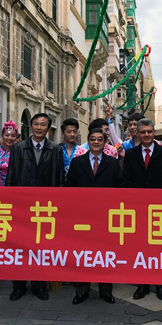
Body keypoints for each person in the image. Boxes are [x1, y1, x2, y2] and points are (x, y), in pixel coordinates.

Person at [6, 113, 64, 301]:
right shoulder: (18, 148)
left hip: (45, 207)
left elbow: (59, 178)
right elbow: (11, 176)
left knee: (42, 246)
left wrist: (57, 203)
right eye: (36, 124)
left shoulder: (55, 149)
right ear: (30, 126)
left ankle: (39, 284)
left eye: (43, 125)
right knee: (19, 246)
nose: (39, 128)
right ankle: (19, 285)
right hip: (22, 205)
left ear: (48, 128)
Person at [66, 128, 123, 305]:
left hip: (105, 217)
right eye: (93, 139)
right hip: (82, 218)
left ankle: (106, 291)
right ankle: (81, 291)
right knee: (82, 255)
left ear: (105, 142)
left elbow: (120, 189)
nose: (96, 142)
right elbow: (69, 188)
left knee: (104, 255)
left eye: (100, 139)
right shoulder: (77, 162)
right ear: (88, 141)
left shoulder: (113, 164)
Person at [123, 118, 162, 301]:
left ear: (154, 133)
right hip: (138, 209)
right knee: (140, 248)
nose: (146, 135)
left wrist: (158, 199)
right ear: (137, 133)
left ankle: (160, 285)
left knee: (160, 248)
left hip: (159, 209)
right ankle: (142, 284)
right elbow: (126, 180)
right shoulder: (130, 154)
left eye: (149, 132)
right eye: (142, 132)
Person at [0, 121, 19, 186]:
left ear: (16, 137)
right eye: (7, 135)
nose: (9, 138)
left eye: (13, 136)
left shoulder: (19, 153)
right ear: (2, 136)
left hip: (12, 186)